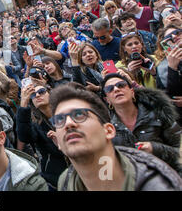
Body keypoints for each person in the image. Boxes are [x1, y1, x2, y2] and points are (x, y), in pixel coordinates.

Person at [48, 85, 182, 190]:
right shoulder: (66, 181)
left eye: (79, 115)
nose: (68, 123)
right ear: (58, 141)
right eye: (59, 120)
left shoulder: (156, 185)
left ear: (108, 130)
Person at [101, 74, 182, 173]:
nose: (116, 89)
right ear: (107, 100)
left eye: (121, 85)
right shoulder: (106, 128)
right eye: (109, 89)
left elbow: (179, 151)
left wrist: (155, 149)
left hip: (165, 177)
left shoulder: (158, 114)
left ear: (132, 92)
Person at [17, 84, 68, 190]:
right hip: (55, 180)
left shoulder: (67, 115)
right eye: (33, 95)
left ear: (51, 94)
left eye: (41, 91)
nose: (37, 95)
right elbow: (24, 136)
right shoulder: (36, 126)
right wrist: (23, 104)